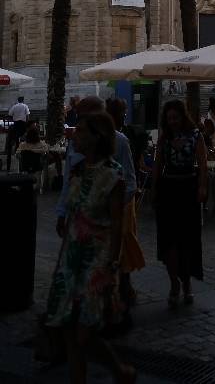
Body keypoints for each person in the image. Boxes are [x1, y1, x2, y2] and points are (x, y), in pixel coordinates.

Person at [45, 111, 136, 384]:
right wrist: (61, 258)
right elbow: (74, 213)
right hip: (71, 256)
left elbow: (118, 225)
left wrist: (114, 265)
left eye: (82, 131)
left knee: (85, 333)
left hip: (96, 261)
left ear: (98, 137)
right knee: (70, 330)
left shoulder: (113, 176)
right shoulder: (76, 170)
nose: (75, 134)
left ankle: (118, 370)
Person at [56, 97, 137, 240]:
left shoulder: (120, 142)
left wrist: (106, 207)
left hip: (102, 229)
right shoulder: (75, 141)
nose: (81, 123)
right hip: (77, 223)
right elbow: (67, 181)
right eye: (80, 117)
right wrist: (62, 213)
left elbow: (130, 184)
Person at [152, 100, 207, 308]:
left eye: (175, 117)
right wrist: (154, 189)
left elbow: (202, 164)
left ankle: (186, 284)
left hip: (188, 190)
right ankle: (173, 282)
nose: (172, 121)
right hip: (169, 190)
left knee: (187, 241)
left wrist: (202, 188)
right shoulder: (165, 137)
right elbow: (158, 164)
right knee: (169, 242)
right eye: (169, 118)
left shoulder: (196, 135)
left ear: (183, 117)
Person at [105, 99, 145, 318]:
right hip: (113, 205)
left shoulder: (121, 140)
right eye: (122, 113)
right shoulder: (118, 140)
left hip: (120, 203)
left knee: (124, 241)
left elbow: (129, 178)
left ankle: (123, 287)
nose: (125, 117)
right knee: (123, 241)